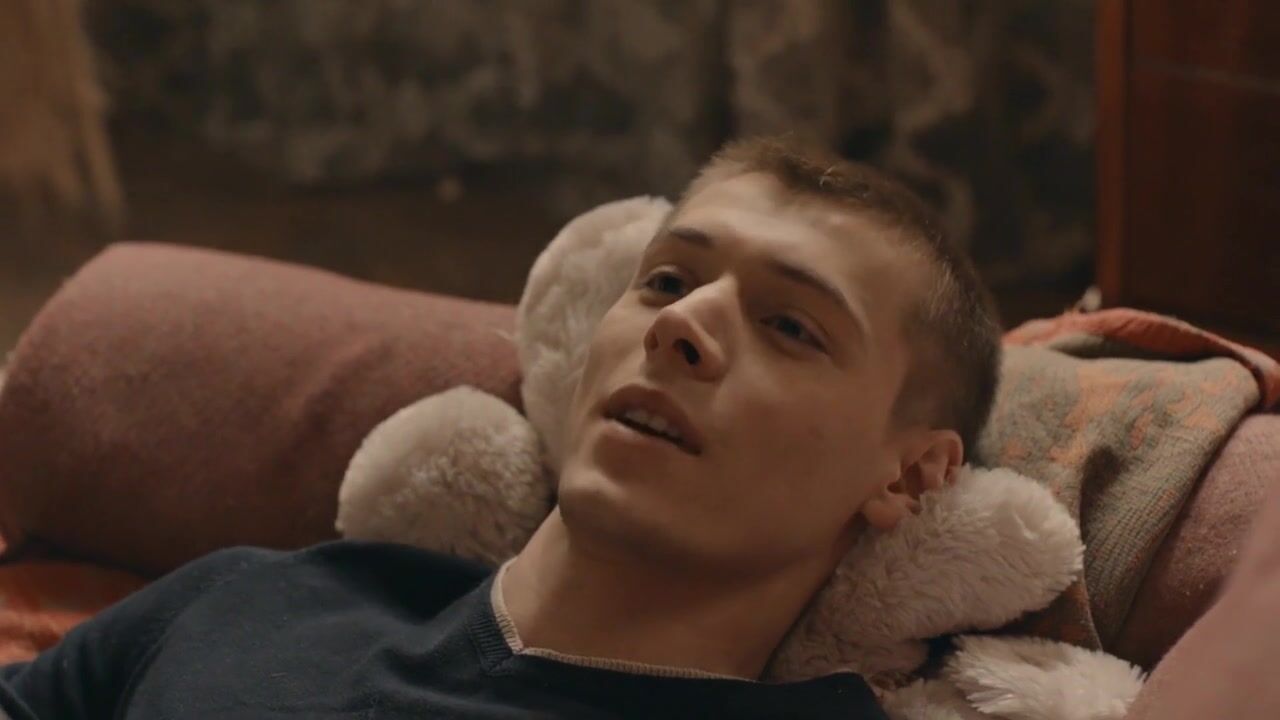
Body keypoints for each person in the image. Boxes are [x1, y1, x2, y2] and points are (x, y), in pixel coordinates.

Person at [0, 136, 1003, 719]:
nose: (681, 327)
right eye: (665, 281)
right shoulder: (261, 599)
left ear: (910, 476)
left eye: (790, 327)